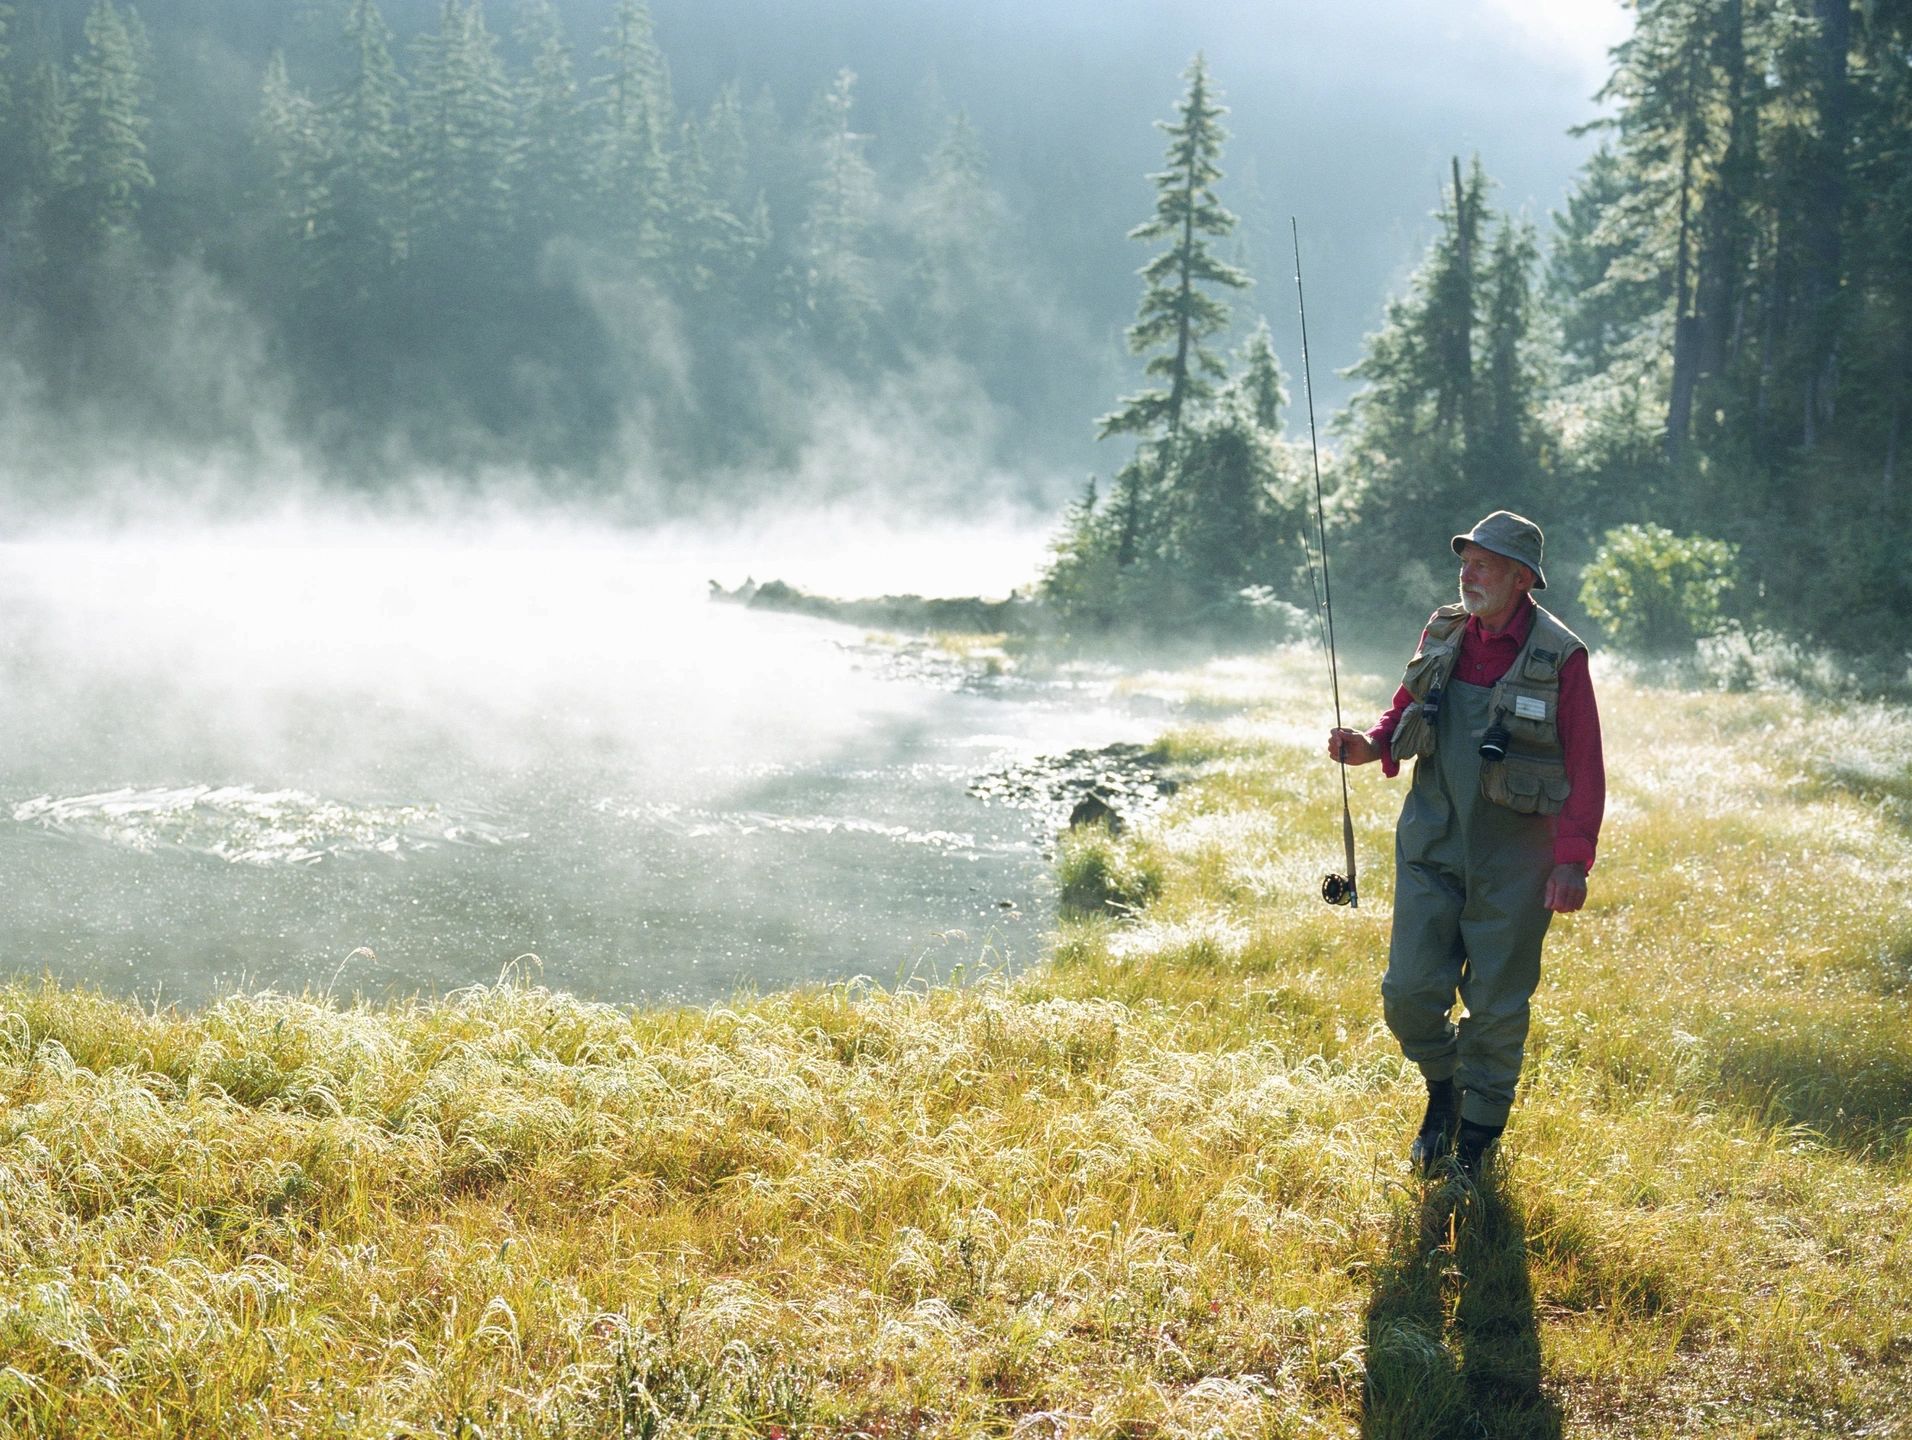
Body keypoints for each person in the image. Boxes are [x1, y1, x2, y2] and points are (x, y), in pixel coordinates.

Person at [1327, 510, 1604, 1183]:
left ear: (1521, 577)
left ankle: (1474, 1146)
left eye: (1483, 563)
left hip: (1519, 859)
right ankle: (1444, 1090)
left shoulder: (1563, 657)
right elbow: (1406, 708)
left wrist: (1572, 860)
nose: (1468, 572)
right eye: (1466, 560)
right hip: (1432, 840)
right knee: (1409, 993)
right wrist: (1368, 746)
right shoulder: (1445, 628)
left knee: (1498, 1008)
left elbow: (1586, 763)